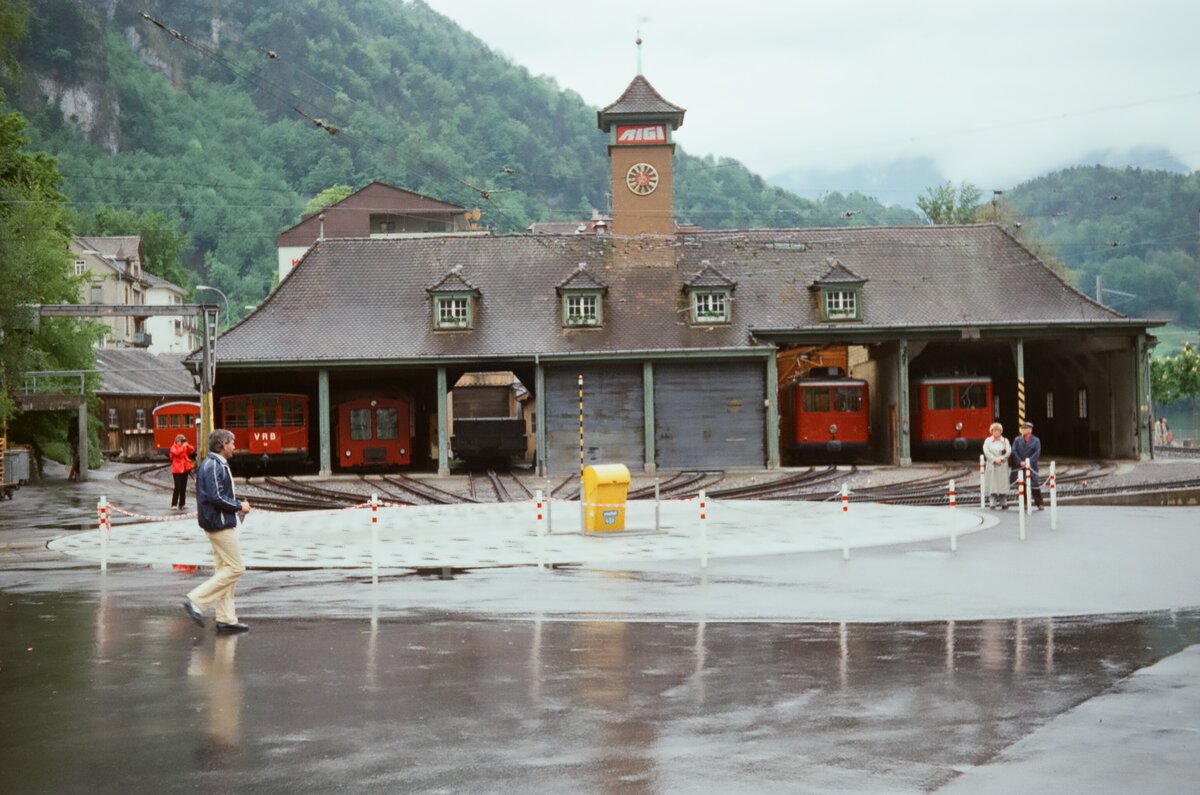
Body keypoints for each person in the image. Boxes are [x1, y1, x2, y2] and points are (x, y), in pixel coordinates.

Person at [182, 429, 251, 634]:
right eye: (232, 443)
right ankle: (195, 601)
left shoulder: (215, 464)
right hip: (219, 524)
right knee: (237, 568)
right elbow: (216, 497)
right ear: (223, 444)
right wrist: (239, 506)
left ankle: (226, 619)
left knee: (225, 571)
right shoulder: (213, 465)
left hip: (217, 522)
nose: (234, 446)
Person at [1010, 421, 1045, 510]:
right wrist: (1019, 462)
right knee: (1022, 485)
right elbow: (1014, 451)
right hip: (1020, 466)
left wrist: (1028, 462)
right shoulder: (1017, 440)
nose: (1023, 430)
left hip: (1032, 466)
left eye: (1025, 428)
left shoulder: (1036, 440)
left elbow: (1037, 453)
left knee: (1035, 484)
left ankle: (1039, 503)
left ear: (1030, 430)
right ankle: (1024, 503)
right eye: (1022, 428)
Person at [982, 422, 1012, 509]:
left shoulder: (1005, 441)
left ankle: (1004, 502)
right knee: (992, 484)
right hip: (992, 465)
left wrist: (1001, 459)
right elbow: (986, 452)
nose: (996, 432)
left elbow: (1008, 451)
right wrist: (994, 460)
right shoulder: (987, 441)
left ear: (1001, 431)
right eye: (994, 430)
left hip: (1002, 465)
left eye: (998, 430)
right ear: (991, 431)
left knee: (1003, 483)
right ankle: (992, 502)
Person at [168, 433, 196, 510]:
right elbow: (176, 453)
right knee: (177, 487)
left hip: (184, 469)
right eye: (181, 440)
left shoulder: (184, 447)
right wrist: (182, 447)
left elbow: (192, 450)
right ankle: (174, 504)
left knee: (183, 487)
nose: (182, 442)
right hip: (177, 470)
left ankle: (182, 504)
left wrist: (187, 444)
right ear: (177, 441)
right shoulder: (173, 447)